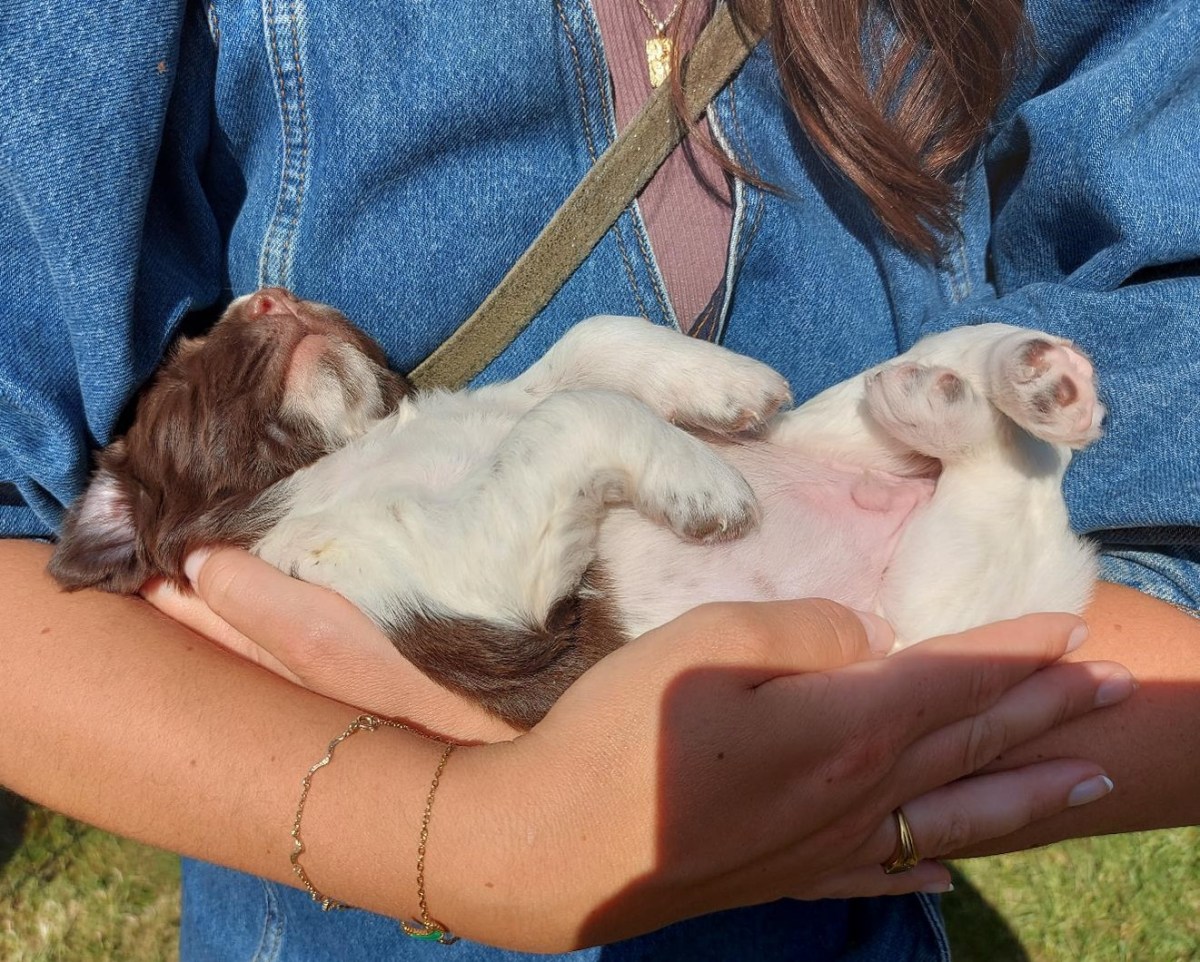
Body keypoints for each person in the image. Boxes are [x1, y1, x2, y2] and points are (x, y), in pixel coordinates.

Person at [0, 0, 1197, 959]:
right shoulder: (294, 512)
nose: (251, 312)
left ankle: (988, 457)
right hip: (349, 926)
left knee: (929, 434)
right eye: (208, 341)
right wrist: (450, 835)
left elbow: (1164, 387)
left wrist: (889, 749)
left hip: (846, 806)